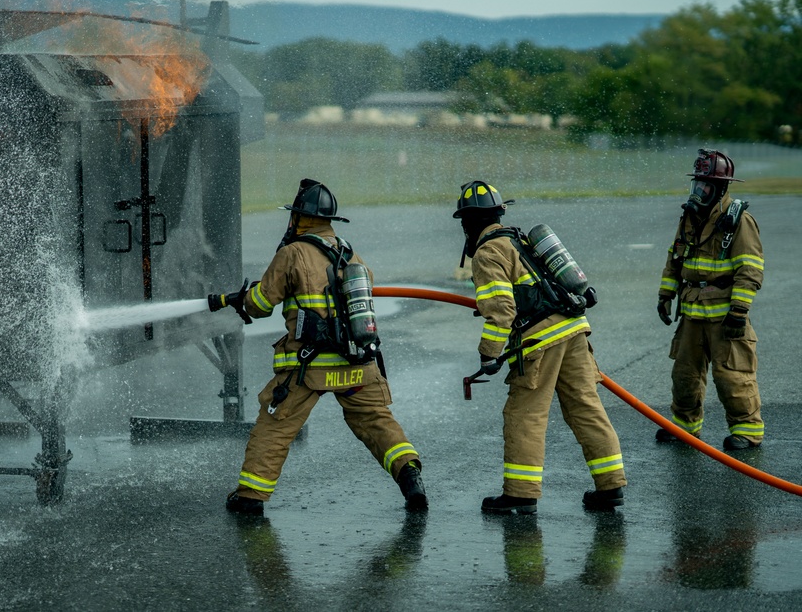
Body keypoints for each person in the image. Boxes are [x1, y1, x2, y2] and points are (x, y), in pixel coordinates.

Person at [209, 178, 427, 515]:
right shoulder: (349, 252)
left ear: (298, 217)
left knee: (275, 425)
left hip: (308, 367)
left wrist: (244, 298)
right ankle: (410, 477)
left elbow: (261, 304)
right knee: (376, 422)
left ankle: (250, 497)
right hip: (356, 363)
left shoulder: (292, 253)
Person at [454, 180, 626, 514]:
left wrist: (488, 355)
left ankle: (520, 494)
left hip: (540, 341)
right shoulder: (519, 240)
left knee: (525, 415)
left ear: (470, 221)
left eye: (464, 222)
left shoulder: (489, 252)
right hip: (574, 330)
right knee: (585, 408)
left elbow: (501, 310)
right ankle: (611, 486)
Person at [656, 149, 764, 450]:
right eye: (697, 185)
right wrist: (665, 295)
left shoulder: (739, 220)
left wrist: (739, 311)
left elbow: (750, 269)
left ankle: (747, 430)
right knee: (685, 375)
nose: (698, 191)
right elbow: (675, 258)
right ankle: (685, 427)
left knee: (732, 375)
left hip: (725, 316)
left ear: (721, 188)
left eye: (705, 186)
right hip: (692, 314)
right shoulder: (689, 216)